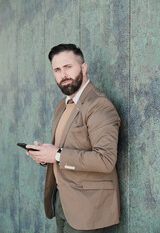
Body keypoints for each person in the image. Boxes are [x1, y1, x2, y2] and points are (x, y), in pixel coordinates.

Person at [26, 44, 121, 233]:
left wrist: (57, 155)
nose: (63, 74)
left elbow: (106, 160)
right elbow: (63, 151)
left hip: (88, 209)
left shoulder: (98, 105)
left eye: (68, 67)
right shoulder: (62, 105)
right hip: (62, 202)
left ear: (83, 68)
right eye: (57, 70)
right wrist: (45, 156)